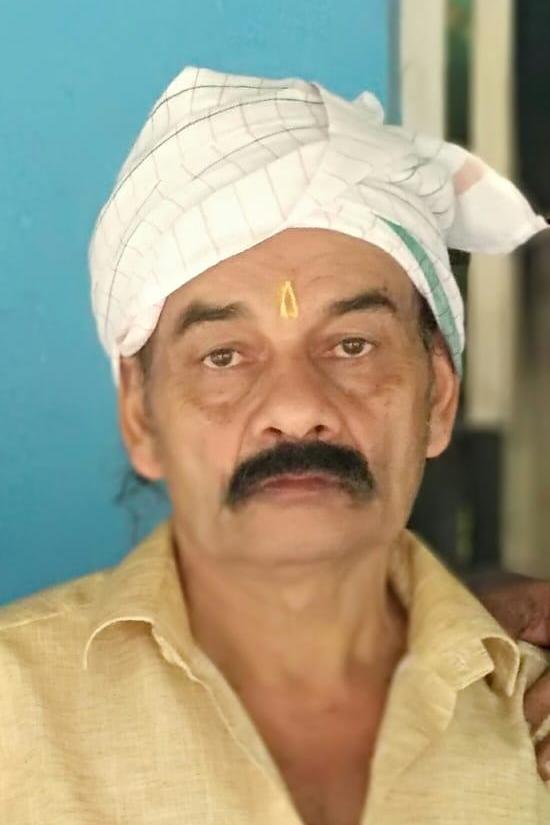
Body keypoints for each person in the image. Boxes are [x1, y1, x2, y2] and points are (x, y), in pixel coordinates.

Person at [1, 66, 550, 825]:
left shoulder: (530, 715)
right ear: (140, 415)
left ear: (438, 398)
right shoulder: (13, 712)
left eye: (352, 345)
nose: (296, 408)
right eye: (224, 356)